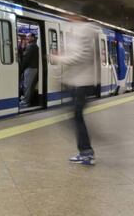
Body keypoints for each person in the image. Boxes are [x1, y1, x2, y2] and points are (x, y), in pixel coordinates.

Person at [50, 17, 99, 165]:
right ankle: (86, 151)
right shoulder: (81, 30)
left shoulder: (85, 30)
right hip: (79, 82)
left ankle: (86, 152)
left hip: (82, 83)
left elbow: (81, 56)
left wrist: (59, 58)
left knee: (76, 116)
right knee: (75, 116)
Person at [20, 33, 39, 107]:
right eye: (26, 36)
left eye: (28, 36)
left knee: (27, 86)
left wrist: (21, 69)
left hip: (30, 68)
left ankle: (26, 102)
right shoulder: (34, 46)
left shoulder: (31, 46)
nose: (27, 37)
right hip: (32, 68)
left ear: (33, 38)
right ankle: (26, 99)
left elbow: (26, 59)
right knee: (29, 85)